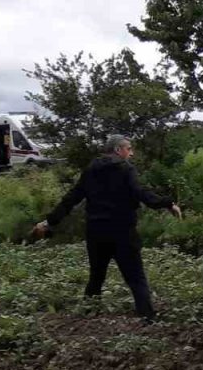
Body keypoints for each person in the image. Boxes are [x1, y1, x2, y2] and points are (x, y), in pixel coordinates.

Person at [34, 135, 182, 321]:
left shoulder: (91, 170)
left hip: (97, 233)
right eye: (129, 149)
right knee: (136, 278)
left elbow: (71, 198)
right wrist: (168, 203)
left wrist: (49, 222)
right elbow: (141, 193)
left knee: (96, 276)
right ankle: (148, 318)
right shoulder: (125, 169)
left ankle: (87, 314)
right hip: (123, 232)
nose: (131, 153)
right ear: (119, 150)